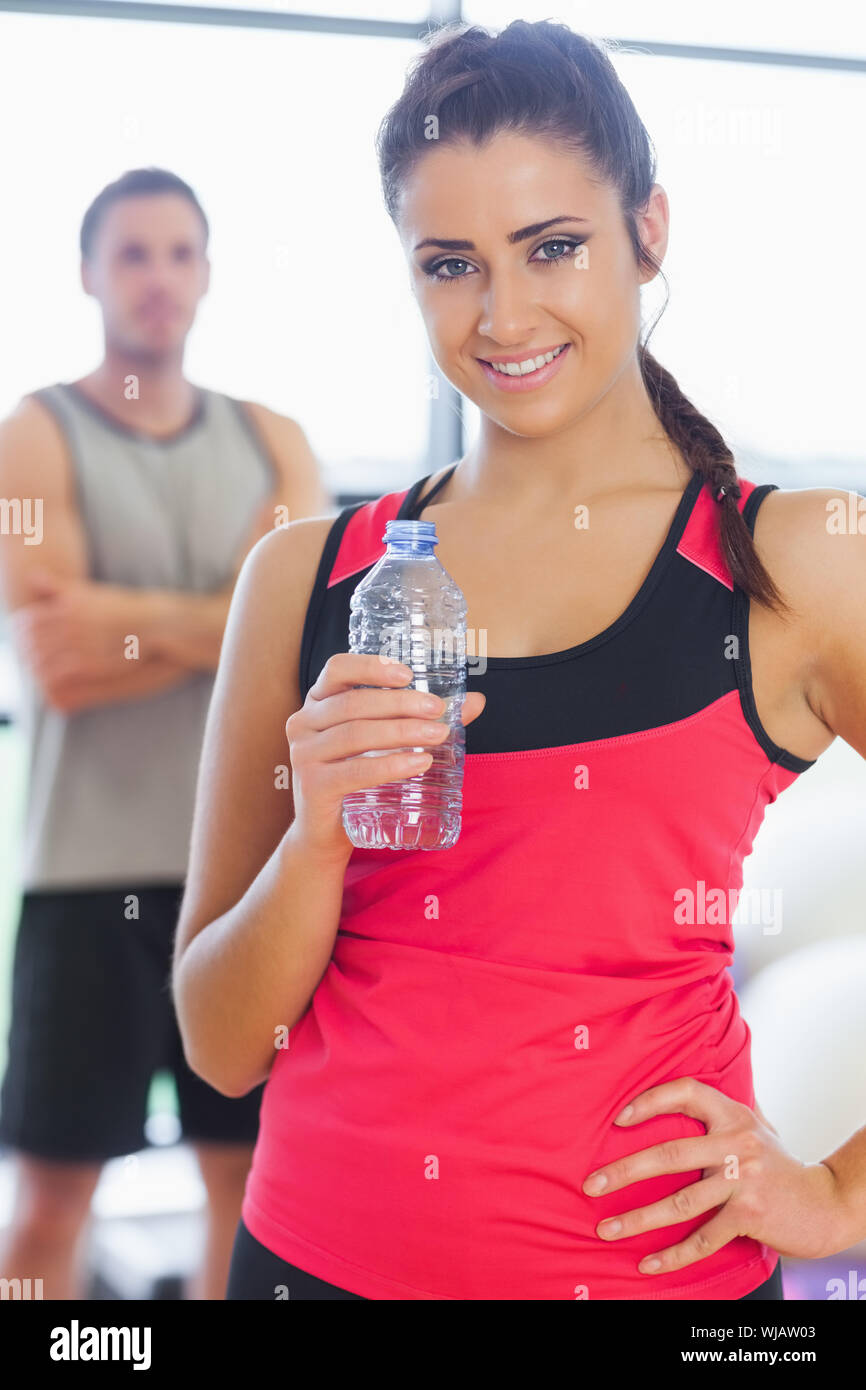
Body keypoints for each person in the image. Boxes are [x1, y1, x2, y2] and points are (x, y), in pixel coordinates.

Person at [173, 22, 866, 1300]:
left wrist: (835, 1191)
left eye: (553, 246)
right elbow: (221, 1046)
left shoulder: (799, 562)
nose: (502, 314)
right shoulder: (306, 578)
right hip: (312, 1265)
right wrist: (314, 836)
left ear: (647, 230)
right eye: (450, 264)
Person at [0, 167, 332, 1299]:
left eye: (179, 253)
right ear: (89, 274)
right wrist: (237, 613)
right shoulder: (33, 435)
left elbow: (295, 637)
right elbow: (59, 657)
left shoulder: (273, 438)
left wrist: (135, 620)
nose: (157, 278)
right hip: (84, 880)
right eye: (132, 254)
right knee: (47, 1207)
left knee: (246, 1188)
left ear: (206, 273)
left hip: (238, 877)